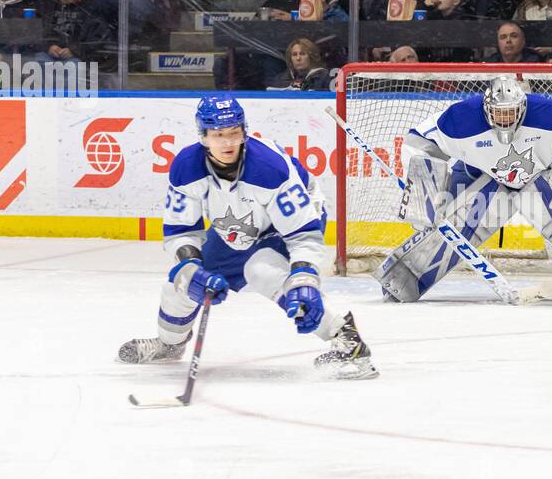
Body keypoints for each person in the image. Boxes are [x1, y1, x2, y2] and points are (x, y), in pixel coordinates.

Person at [118, 96, 377, 380]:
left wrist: (304, 278)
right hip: (235, 228)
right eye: (218, 135)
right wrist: (190, 266)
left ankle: (347, 340)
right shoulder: (186, 167)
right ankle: (169, 345)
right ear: (203, 136)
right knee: (183, 281)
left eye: (234, 133)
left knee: (263, 270)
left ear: (244, 131)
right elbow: (181, 231)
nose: (227, 143)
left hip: (287, 228)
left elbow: (303, 235)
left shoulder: (270, 168)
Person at [378, 76, 552, 303]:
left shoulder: (548, 114)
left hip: (534, 177)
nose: (505, 119)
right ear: (486, 109)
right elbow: (419, 142)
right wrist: (425, 192)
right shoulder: (462, 118)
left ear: (523, 107)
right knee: (463, 219)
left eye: (510, 112)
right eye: (499, 113)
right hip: (476, 172)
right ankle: (405, 275)